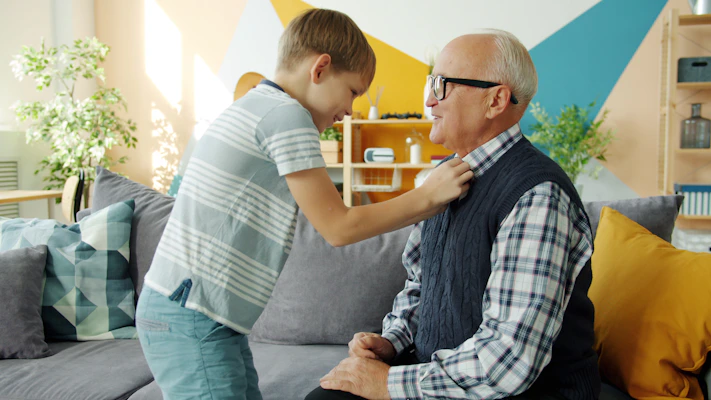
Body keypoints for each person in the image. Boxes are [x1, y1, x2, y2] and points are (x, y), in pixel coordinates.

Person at [134, 9, 474, 400]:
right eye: (352, 92)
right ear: (321, 68)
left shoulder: (258, 106)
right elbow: (339, 227)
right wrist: (428, 195)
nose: (349, 112)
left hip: (196, 312)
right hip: (193, 313)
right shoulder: (286, 116)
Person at [308, 29, 601, 400]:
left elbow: (507, 361)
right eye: (430, 84)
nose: (429, 100)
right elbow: (421, 284)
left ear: (496, 101)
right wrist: (393, 342)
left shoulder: (537, 195)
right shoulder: (443, 178)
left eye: (442, 84)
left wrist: (387, 383)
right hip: (445, 377)